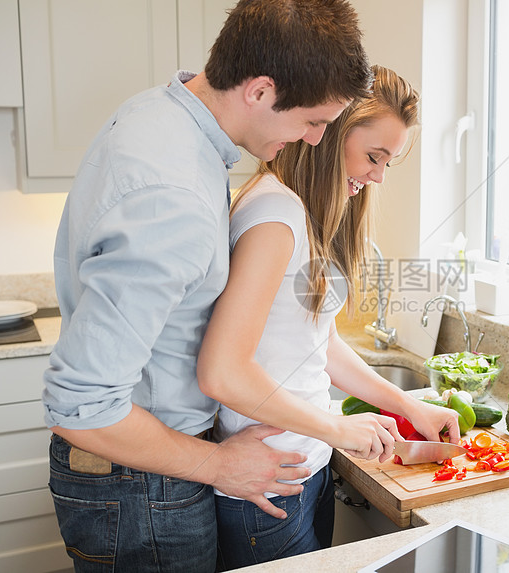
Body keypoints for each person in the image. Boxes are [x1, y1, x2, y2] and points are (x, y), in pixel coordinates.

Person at [41, 1, 372, 571]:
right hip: (142, 484)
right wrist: (219, 465)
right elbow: (81, 408)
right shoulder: (176, 197)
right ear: (261, 90)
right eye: (315, 120)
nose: (317, 140)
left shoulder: (158, 114)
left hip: (143, 474)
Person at [196, 65, 461, 569]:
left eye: (390, 162)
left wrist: (409, 406)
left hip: (305, 469)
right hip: (268, 484)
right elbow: (223, 371)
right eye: (373, 156)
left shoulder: (301, 213)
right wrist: (338, 430)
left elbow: (318, 343)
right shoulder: (274, 217)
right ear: (331, 133)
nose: (379, 175)